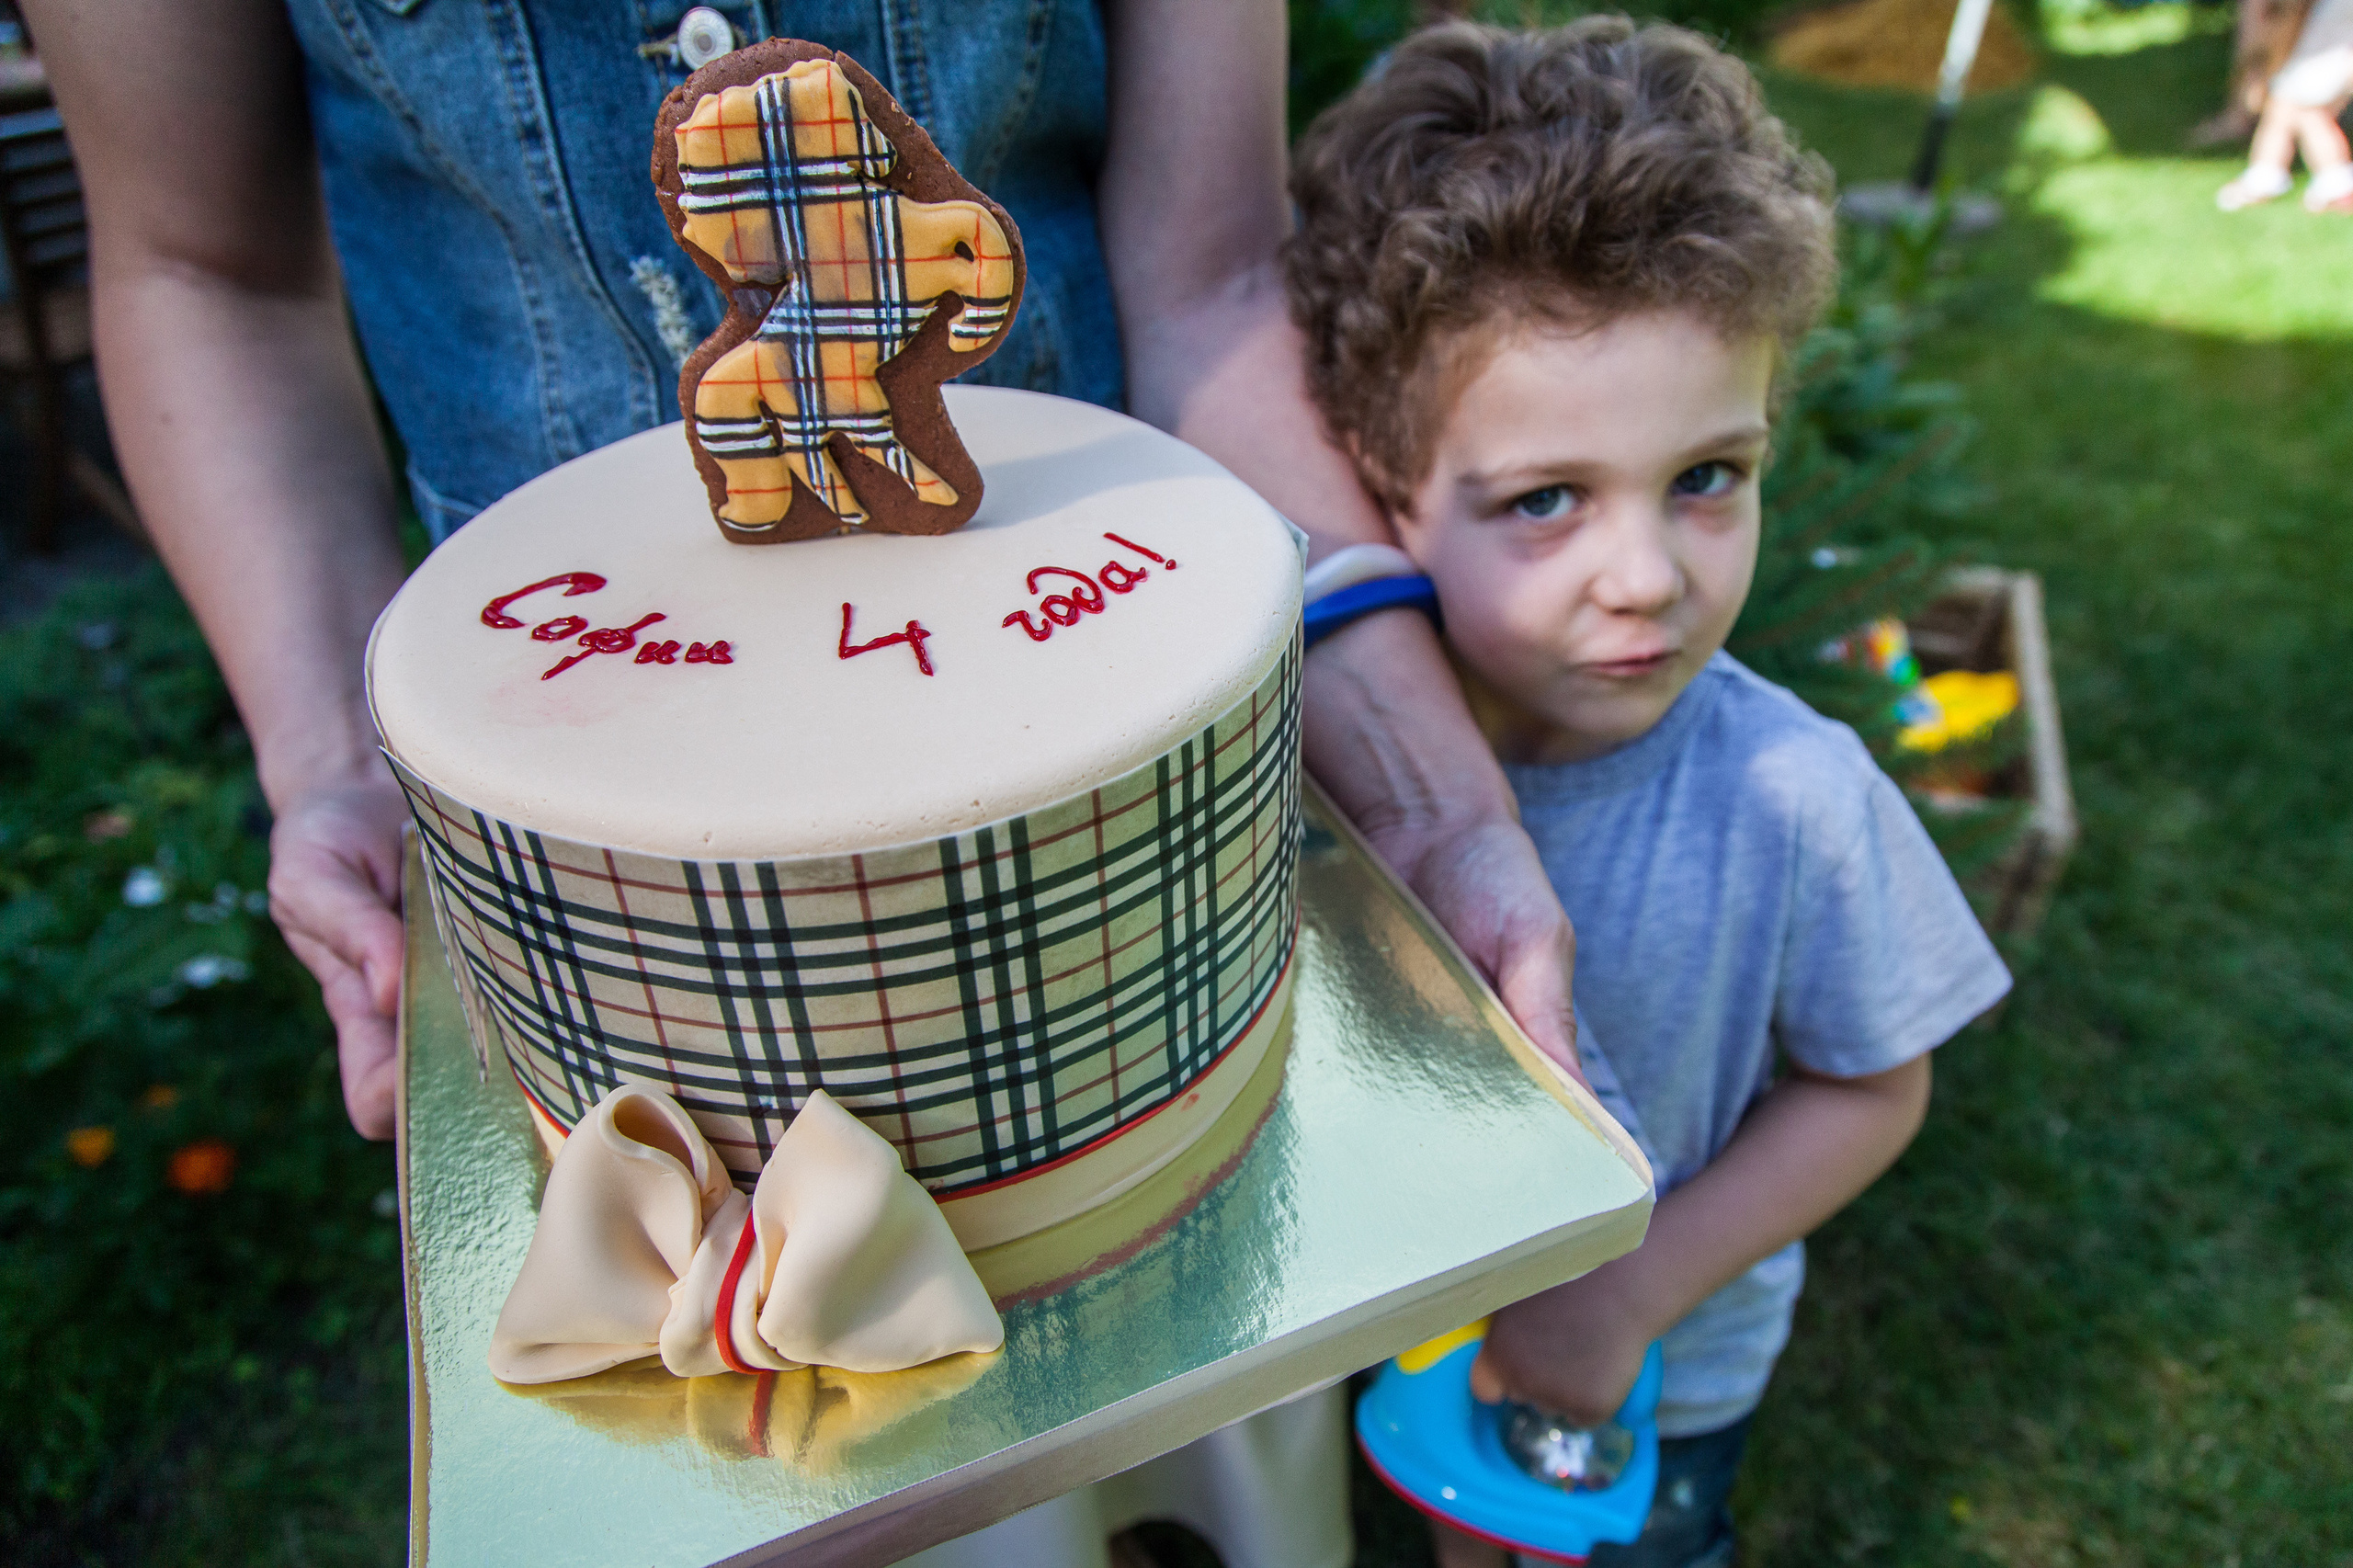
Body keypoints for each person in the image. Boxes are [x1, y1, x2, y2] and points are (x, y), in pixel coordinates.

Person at [27, 0, 1582, 1150]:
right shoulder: (749, 381)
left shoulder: (927, 260)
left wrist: (1423, 787)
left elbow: (1215, 274)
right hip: (579, 837)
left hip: (1113, 737)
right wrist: (334, 761)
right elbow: (198, 269)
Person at [1283, 20, 2013, 1566]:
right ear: (1379, 481)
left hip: (1663, 1366)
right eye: (1547, 500)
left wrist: (1625, 1292)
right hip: (1414, 1327)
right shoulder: (1330, 771)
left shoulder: (1793, 792)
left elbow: (1874, 1085)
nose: (1650, 578)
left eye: (1708, 477)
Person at [2215, 0, 2353, 210]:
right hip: (2320, 53)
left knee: (2310, 115)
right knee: (2282, 110)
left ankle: (2336, 185)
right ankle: (2265, 176)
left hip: (2327, 56)